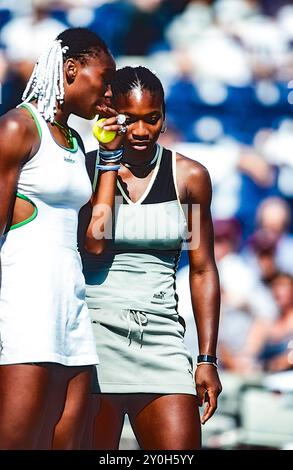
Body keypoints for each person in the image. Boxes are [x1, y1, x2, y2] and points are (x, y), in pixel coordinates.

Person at [81, 66, 222, 450]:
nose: (141, 131)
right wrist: (107, 163)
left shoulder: (189, 177)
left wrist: (206, 357)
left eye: (152, 118)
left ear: (164, 116)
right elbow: (94, 244)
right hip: (92, 342)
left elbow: (203, 268)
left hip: (163, 340)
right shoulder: (83, 168)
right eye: (129, 120)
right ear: (110, 114)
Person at [0, 27, 119, 450]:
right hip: (24, 310)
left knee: (68, 442)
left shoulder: (73, 141)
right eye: (105, 79)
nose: (110, 93)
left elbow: (97, 239)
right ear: (71, 69)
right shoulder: (18, 127)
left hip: (72, 308)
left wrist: (108, 158)